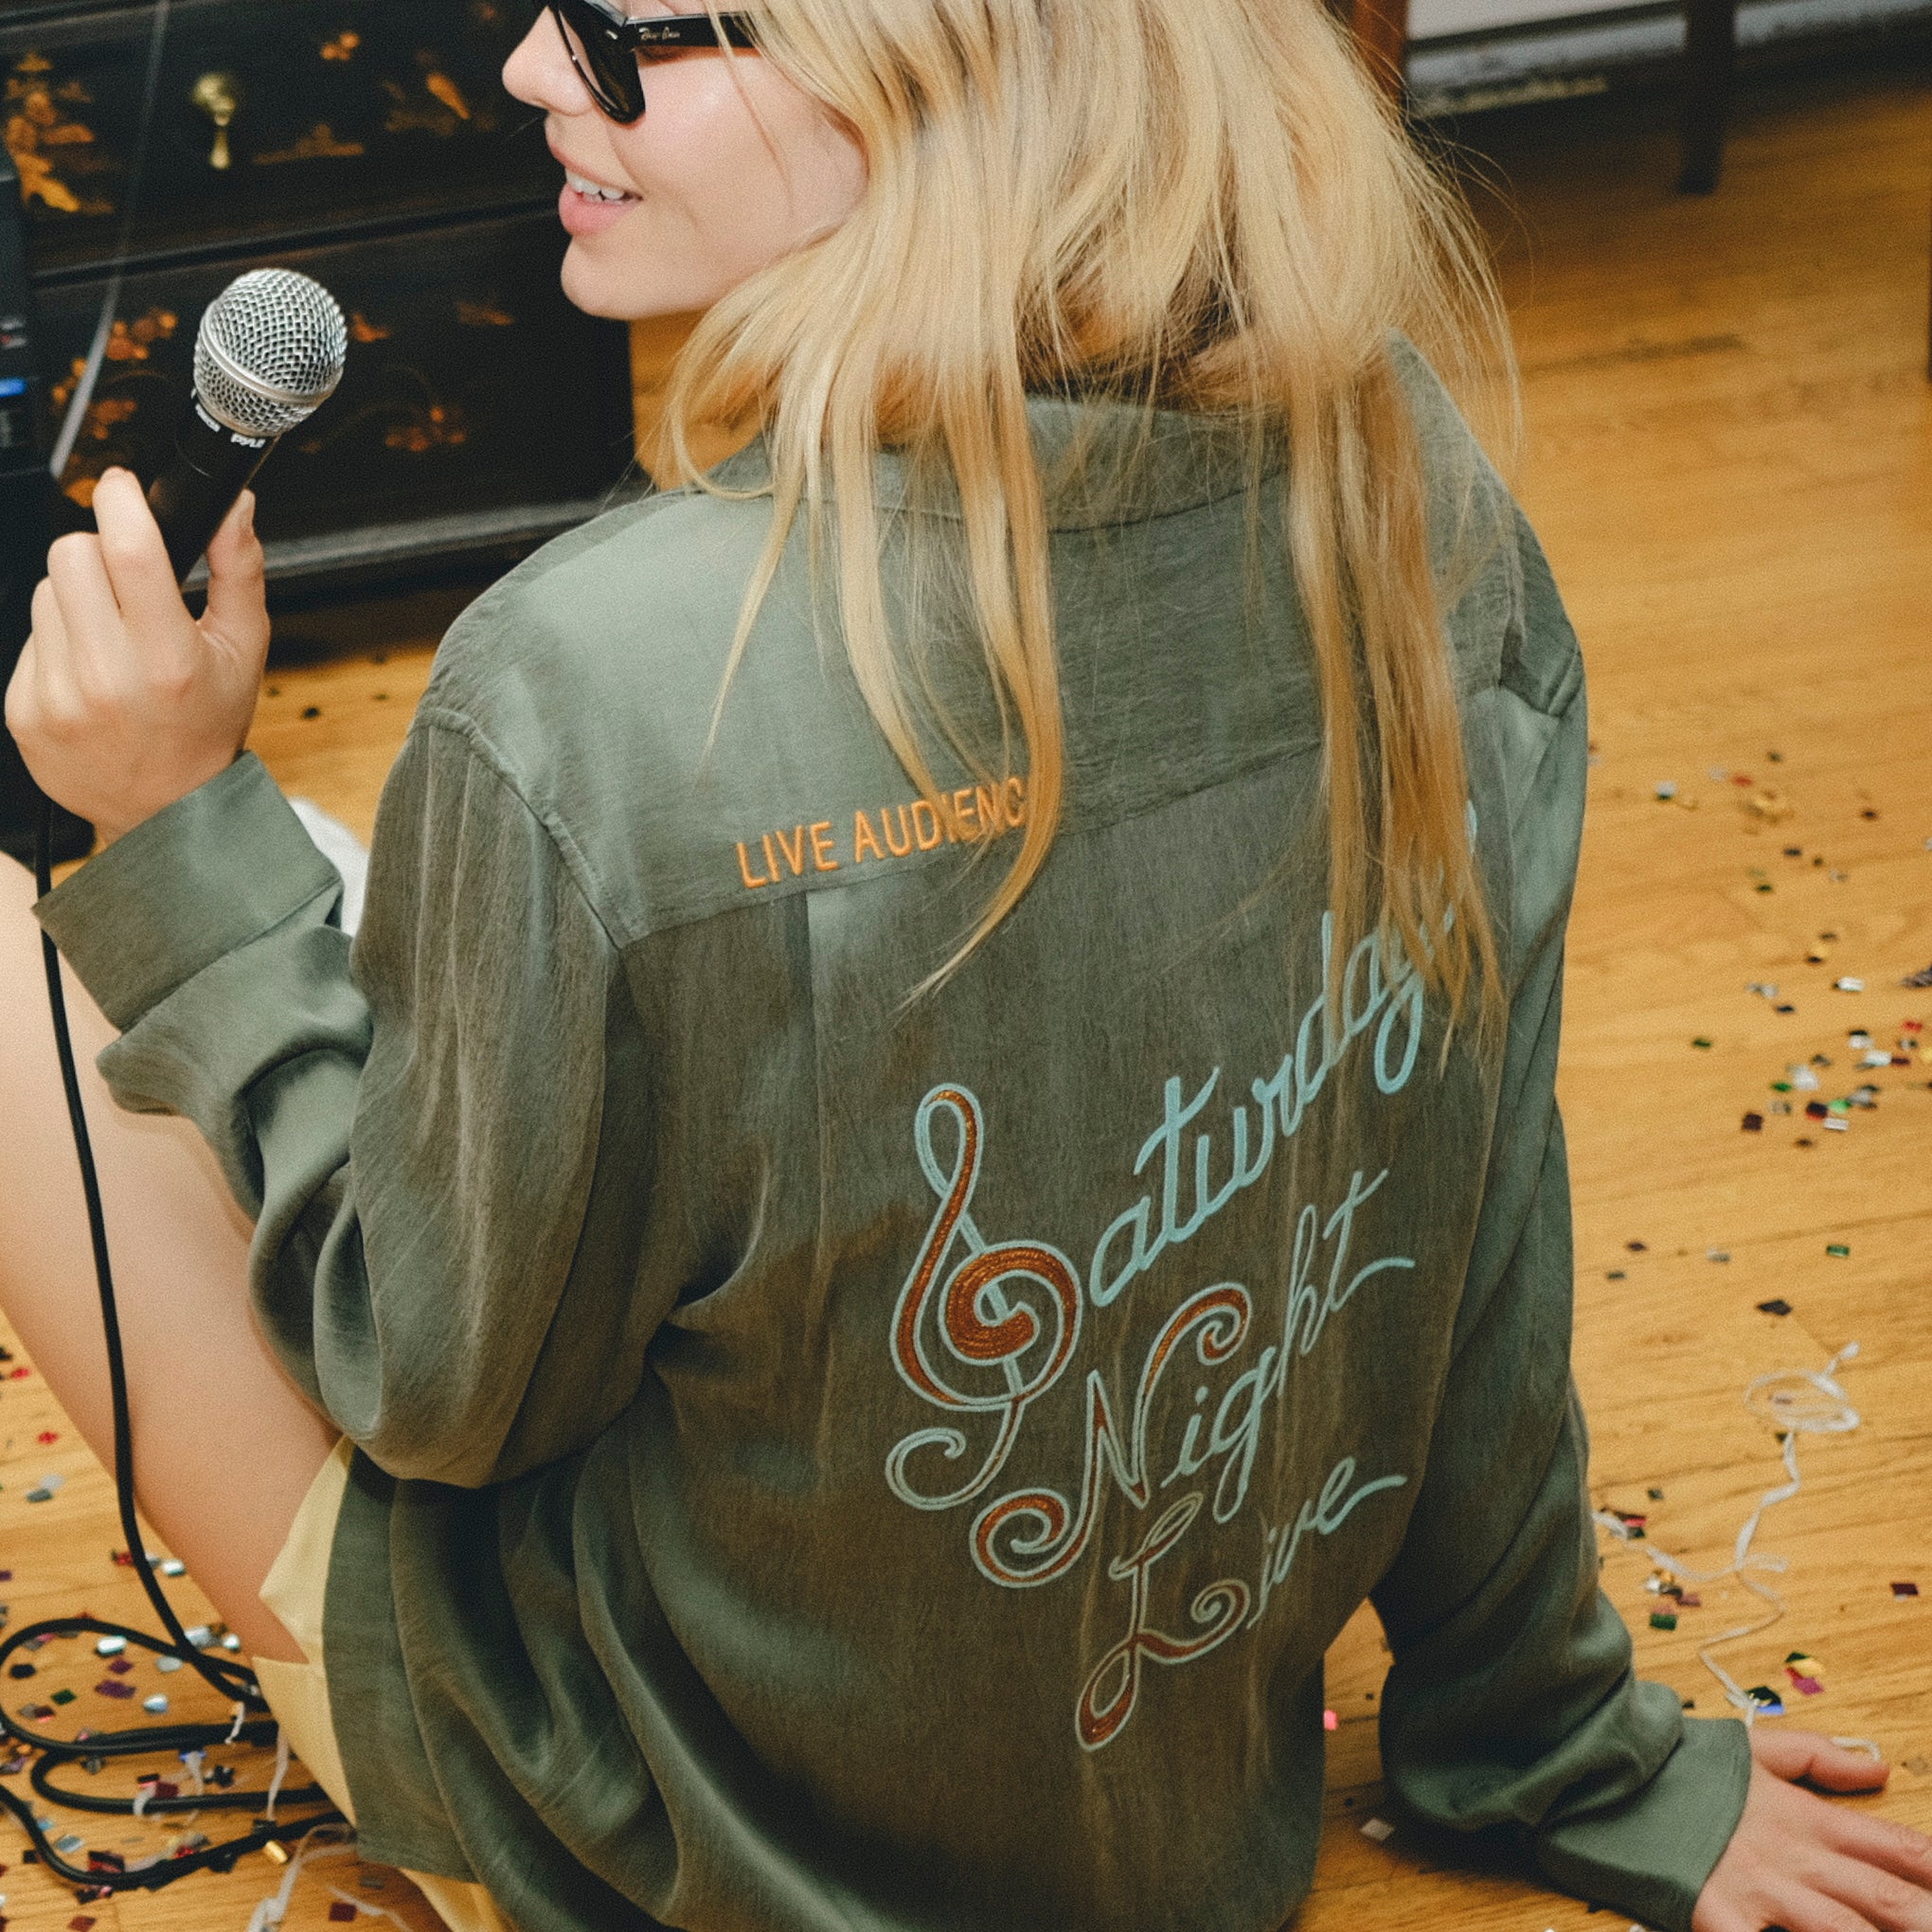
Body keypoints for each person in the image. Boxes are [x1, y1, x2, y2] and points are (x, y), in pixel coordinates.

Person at [2, 1, 1929, 1928]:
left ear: (944, 70)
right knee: (339, 896)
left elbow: (428, 1384)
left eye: (619, 30)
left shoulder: (582, 692)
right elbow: (1474, 1217)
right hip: (1175, 1819)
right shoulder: (1408, 477)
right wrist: (1558, 1739)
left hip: (672, 1833)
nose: (523, 67)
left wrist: (174, 826)